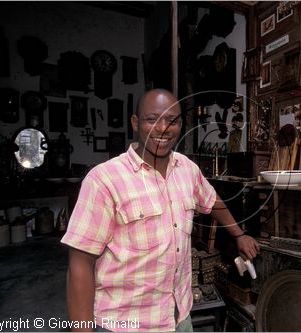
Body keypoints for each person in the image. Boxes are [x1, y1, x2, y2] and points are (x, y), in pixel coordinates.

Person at [61, 89, 260, 332]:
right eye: (152, 119)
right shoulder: (104, 180)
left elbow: (211, 200)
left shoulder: (186, 169)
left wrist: (238, 234)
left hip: (179, 316)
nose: (163, 128)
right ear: (135, 123)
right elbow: (80, 262)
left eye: (172, 120)